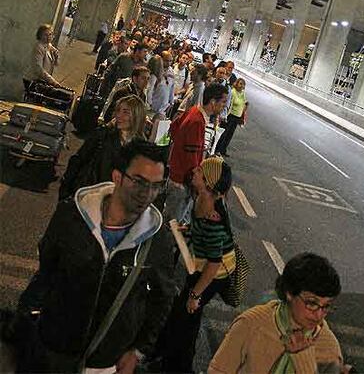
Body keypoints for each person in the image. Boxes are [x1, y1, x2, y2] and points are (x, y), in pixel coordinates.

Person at [14, 139, 176, 373]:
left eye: (156, 186)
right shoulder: (72, 215)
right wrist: (23, 326)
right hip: (51, 348)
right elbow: (46, 270)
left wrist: (139, 350)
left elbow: (163, 298)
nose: (147, 194)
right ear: (117, 176)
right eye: (139, 182)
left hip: (105, 361)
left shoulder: (158, 239)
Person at [209, 253, 344, 374]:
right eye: (312, 303)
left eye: (326, 306)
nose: (319, 315)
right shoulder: (252, 323)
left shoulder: (329, 349)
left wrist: (303, 359)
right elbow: (219, 370)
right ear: (290, 293)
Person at [161, 157, 235, 372]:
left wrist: (196, 295)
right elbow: (198, 228)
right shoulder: (202, 198)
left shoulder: (214, 217)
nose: (194, 170)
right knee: (180, 314)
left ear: (209, 182)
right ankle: (167, 357)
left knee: (186, 318)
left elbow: (214, 263)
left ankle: (179, 367)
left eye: (200, 170)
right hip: (201, 266)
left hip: (214, 275)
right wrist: (186, 230)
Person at [59, 95, 147, 200]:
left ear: (137, 117)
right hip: (88, 195)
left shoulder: (140, 147)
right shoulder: (102, 135)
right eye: (118, 110)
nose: (119, 115)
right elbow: (78, 159)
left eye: (125, 112)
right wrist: (65, 190)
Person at [166, 83, 228, 219]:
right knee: (172, 224)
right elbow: (192, 159)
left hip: (177, 174)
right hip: (181, 182)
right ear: (212, 102)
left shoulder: (194, 111)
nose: (224, 106)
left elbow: (174, 128)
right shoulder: (197, 121)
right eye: (223, 102)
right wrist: (198, 184)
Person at [216, 78, 248, 157]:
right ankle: (217, 150)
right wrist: (225, 115)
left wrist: (242, 116)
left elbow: (244, 103)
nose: (241, 86)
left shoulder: (243, 93)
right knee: (224, 134)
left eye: (243, 84)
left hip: (237, 117)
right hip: (230, 116)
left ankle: (223, 150)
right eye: (240, 83)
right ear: (236, 83)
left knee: (230, 135)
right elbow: (229, 104)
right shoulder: (233, 92)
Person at [147, 51, 175, 117]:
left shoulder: (171, 72)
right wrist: (150, 104)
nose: (168, 63)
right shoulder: (154, 74)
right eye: (166, 61)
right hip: (152, 108)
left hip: (163, 109)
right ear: (161, 59)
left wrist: (171, 102)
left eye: (170, 61)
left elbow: (171, 88)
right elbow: (149, 90)